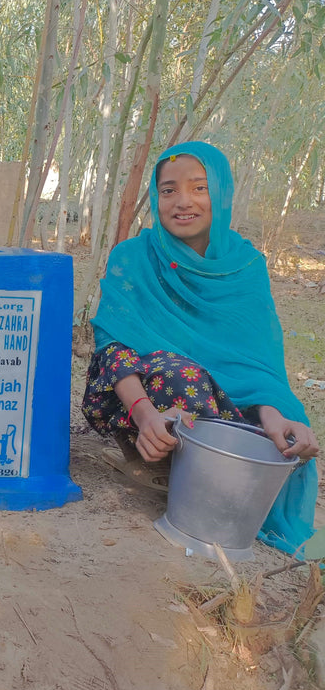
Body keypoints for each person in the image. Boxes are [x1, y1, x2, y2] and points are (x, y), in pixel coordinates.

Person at [83, 140, 319, 555]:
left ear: (222, 194)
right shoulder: (134, 257)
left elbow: (255, 370)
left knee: (280, 435)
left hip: (223, 411)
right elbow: (113, 345)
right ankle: (154, 459)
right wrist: (144, 413)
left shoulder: (247, 268)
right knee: (182, 376)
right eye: (168, 190)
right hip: (140, 401)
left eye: (199, 187)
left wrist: (274, 418)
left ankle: (208, 466)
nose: (182, 201)